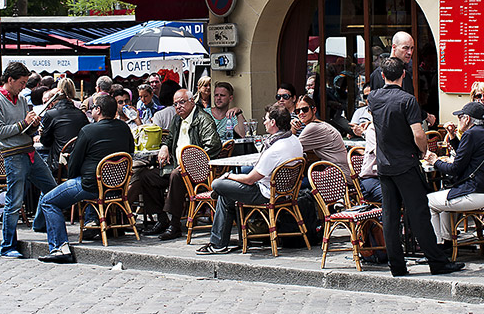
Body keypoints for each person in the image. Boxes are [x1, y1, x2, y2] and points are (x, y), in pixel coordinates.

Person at [368, 56, 463, 276]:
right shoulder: (407, 100)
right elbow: (418, 133)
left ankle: (397, 265)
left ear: (382, 76)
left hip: (384, 164)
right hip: (405, 162)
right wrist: (423, 150)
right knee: (419, 213)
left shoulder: (373, 98)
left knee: (390, 216)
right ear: (403, 74)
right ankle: (436, 262)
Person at [38, 94, 135, 263]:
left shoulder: (88, 130)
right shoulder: (124, 127)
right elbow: (130, 151)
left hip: (90, 185)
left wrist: (74, 177)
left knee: (48, 201)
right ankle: (91, 223)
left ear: (98, 109)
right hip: (116, 185)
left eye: (93, 108)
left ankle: (60, 248)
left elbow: (75, 161)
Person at [196, 103, 304, 255]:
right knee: (226, 195)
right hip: (284, 192)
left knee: (217, 183)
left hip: (266, 193)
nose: (264, 122)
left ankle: (219, 243)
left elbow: (249, 180)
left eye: (265, 119)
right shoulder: (294, 141)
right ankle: (221, 242)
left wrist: (228, 176)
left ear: (273, 123)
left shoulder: (275, 149)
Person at [0, 62, 57, 258]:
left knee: (52, 189)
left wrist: (34, 125)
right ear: (10, 80)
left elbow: (24, 128)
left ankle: (42, 224)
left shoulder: (19, 100)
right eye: (21, 82)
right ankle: (7, 246)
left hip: (29, 152)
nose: (24, 86)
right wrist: (23, 123)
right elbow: (0, 132)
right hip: (13, 155)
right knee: (14, 201)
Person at [141, 89, 222, 240]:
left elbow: (213, 146)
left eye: (182, 102)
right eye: (175, 104)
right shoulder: (176, 120)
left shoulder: (203, 119)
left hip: (197, 170)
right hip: (176, 166)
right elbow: (170, 139)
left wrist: (190, 163)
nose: (178, 106)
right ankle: (161, 218)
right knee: (146, 176)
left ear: (192, 101)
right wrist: (165, 147)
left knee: (176, 175)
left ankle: (175, 224)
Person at [424, 101, 484, 247]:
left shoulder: (470, 134)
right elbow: (465, 156)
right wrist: (452, 136)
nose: (458, 120)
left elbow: (455, 169)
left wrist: (435, 161)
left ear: (467, 119)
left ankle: (437, 246)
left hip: (475, 192)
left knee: (429, 202)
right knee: (442, 196)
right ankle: (447, 241)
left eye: (460, 117)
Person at [369, 32, 437, 128]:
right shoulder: (377, 75)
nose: (409, 52)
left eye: (412, 48)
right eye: (405, 48)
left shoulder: (407, 75)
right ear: (394, 47)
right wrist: (426, 116)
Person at [38, 77, 89, 174]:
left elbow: (46, 141)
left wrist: (43, 133)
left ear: (52, 102)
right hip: (79, 163)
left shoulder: (51, 114)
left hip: (60, 165)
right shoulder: (80, 114)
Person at [291, 94, 350, 178]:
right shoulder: (321, 124)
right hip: (338, 173)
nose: (301, 113)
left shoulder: (313, 127)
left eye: (305, 109)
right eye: (297, 111)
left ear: (314, 110)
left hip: (340, 177)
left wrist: (293, 128)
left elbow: (291, 149)